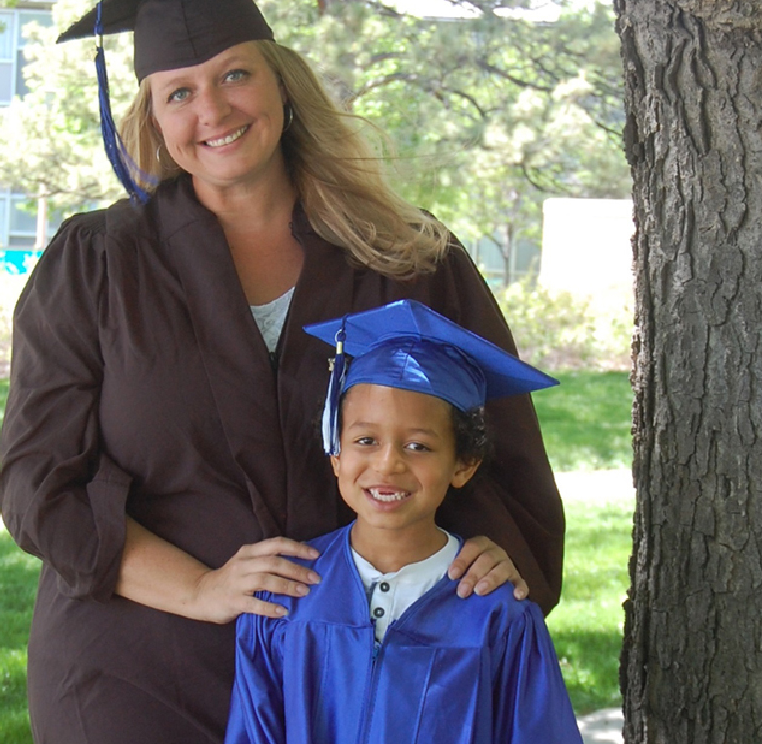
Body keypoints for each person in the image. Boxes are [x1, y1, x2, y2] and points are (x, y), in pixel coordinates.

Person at [0, 0, 566, 741]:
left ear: (281, 85)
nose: (213, 112)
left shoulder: (406, 258)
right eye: (178, 93)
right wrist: (199, 589)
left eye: (235, 75)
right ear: (151, 117)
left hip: (357, 676)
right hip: (138, 669)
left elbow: (499, 451)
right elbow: (38, 482)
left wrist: (497, 554)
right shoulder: (94, 264)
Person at [226, 300, 581, 744]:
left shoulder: (496, 616)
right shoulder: (286, 601)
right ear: (336, 453)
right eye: (366, 440)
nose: (388, 464)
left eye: (418, 446)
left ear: (463, 464)